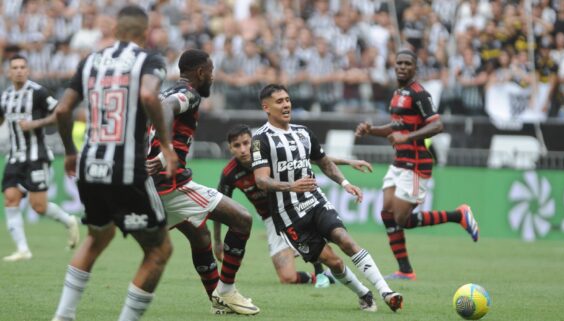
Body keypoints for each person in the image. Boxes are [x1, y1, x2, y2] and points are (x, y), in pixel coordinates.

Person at [51, 6, 178, 321]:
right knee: (159, 250)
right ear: (144, 32)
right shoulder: (149, 60)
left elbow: (63, 110)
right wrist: (165, 144)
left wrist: (70, 150)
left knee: (98, 235)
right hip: (126, 169)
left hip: (90, 165)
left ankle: (63, 316)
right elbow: (150, 97)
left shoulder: (90, 61)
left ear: (117, 31)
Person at [251, 83, 403, 313]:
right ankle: (363, 294)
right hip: (288, 216)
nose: (286, 105)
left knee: (346, 240)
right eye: (279, 101)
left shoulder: (303, 133)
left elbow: (323, 162)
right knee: (334, 262)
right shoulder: (260, 140)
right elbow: (261, 180)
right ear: (266, 107)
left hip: (314, 201)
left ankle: (387, 292)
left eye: (287, 100)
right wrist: (291, 186)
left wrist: (345, 183)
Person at [145, 49, 260, 315]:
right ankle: (227, 292)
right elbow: (166, 110)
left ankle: (217, 301)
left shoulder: (164, 92)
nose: (212, 77)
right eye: (211, 72)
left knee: (199, 235)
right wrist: (165, 155)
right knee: (242, 219)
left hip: (152, 185)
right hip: (170, 183)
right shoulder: (189, 94)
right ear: (200, 73)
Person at [355, 49, 479, 281]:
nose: (402, 67)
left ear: (415, 69)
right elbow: (395, 127)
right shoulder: (397, 93)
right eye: (398, 63)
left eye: (407, 64)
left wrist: (408, 138)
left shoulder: (420, 94)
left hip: (415, 164)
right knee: (387, 214)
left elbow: (437, 125)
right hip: (399, 162)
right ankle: (405, 270)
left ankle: (458, 215)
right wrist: (371, 130)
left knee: (402, 219)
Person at [216, 124, 375, 288]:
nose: (243, 149)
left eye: (246, 143)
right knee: (287, 278)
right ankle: (323, 276)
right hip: (271, 219)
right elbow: (220, 207)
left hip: (294, 206)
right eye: (237, 145)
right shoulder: (230, 174)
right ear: (230, 148)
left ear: (253, 142)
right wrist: (217, 242)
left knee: (331, 238)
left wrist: (348, 161)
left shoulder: (267, 153)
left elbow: (314, 158)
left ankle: (323, 269)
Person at [0, 55, 80, 262]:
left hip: (37, 156)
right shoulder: (5, 96)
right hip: (14, 157)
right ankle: (23, 249)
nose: (18, 70)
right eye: (14, 67)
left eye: (22, 67)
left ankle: (69, 220)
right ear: (8, 72)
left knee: (39, 207)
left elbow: (60, 113)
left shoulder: (38, 92)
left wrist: (36, 124)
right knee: (10, 198)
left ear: (28, 70)